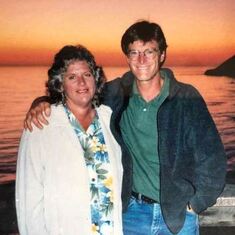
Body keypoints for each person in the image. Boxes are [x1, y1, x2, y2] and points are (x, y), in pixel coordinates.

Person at [24, 21, 227, 235]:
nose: (141, 60)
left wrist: (195, 203)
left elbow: (213, 159)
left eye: (149, 51)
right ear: (127, 57)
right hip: (131, 216)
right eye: (134, 53)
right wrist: (41, 102)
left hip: (177, 218)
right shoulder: (116, 93)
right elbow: (77, 95)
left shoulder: (185, 97)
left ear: (162, 55)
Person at [16, 45, 125, 235]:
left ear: (96, 78)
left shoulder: (110, 120)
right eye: (72, 77)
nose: (81, 83)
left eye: (87, 75)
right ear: (60, 84)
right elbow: (29, 200)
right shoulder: (41, 126)